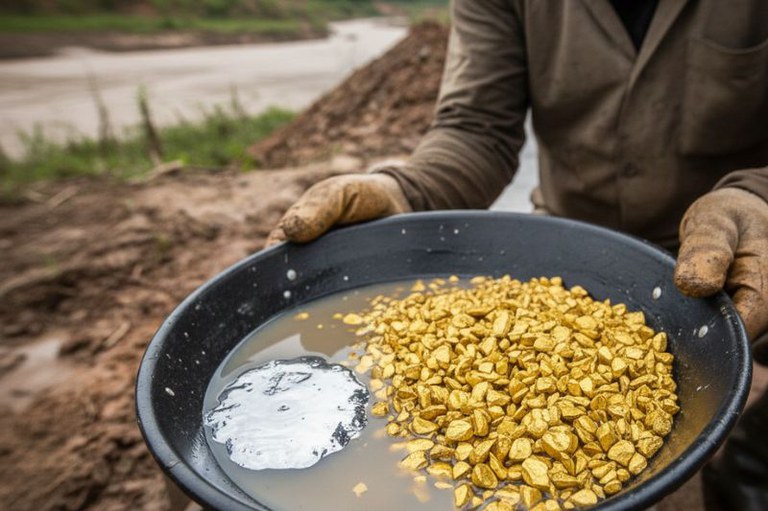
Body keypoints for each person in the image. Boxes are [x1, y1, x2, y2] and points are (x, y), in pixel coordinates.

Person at [267, 1, 768, 509]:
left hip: (739, 246)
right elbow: (477, 127)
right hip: (565, 261)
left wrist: (756, 196)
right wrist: (406, 191)